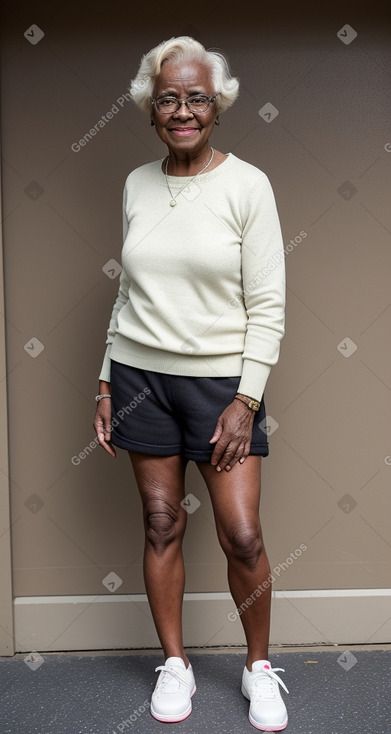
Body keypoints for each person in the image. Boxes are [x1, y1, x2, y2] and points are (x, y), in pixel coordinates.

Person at [93, 36, 288, 732]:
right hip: (142, 379)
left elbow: (267, 304)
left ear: (217, 106)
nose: (182, 109)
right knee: (160, 523)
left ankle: (257, 668)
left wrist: (246, 398)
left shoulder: (247, 185)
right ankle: (174, 665)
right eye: (168, 97)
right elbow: (126, 295)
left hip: (219, 385)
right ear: (151, 108)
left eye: (196, 97)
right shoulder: (137, 185)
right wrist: (106, 380)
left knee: (241, 535)